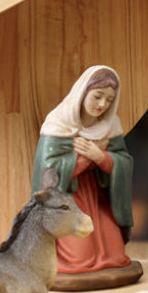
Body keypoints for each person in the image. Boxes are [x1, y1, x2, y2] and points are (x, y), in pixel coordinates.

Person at [31, 65, 135, 277]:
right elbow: (48, 172)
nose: (102, 105)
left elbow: (124, 161)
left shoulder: (110, 124)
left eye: (109, 99)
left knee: (115, 255)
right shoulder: (58, 123)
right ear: (82, 92)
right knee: (80, 259)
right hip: (67, 200)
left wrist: (101, 157)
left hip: (98, 197)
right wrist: (86, 159)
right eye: (97, 96)